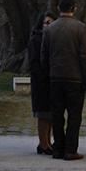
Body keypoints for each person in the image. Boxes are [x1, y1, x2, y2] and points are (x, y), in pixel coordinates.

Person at [41, 0, 86, 161]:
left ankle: (58, 147)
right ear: (74, 8)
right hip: (75, 78)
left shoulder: (50, 29)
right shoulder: (81, 28)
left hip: (55, 78)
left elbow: (44, 55)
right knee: (74, 116)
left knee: (57, 115)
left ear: (59, 8)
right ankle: (70, 149)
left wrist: (48, 74)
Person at [28, 11, 57, 155]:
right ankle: (43, 143)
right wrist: (42, 75)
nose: (48, 25)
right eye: (46, 22)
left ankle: (48, 141)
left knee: (50, 114)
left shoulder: (54, 39)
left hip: (52, 81)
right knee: (42, 114)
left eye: (51, 22)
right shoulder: (36, 39)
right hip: (41, 82)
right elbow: (33, 63)